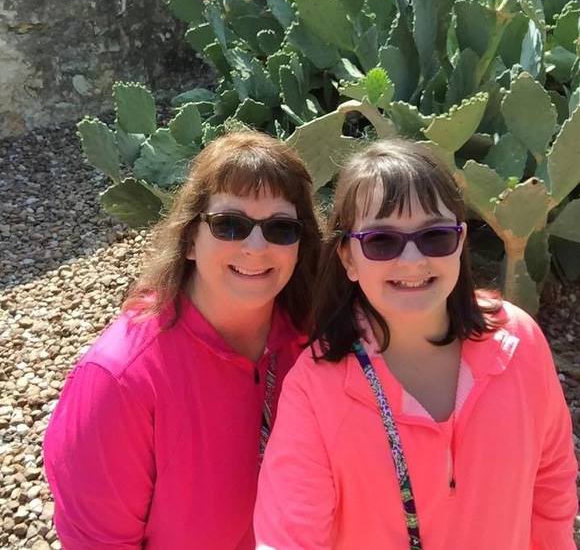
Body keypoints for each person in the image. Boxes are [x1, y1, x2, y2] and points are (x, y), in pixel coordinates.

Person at [254, 139, 577, 549]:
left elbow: (551, 483)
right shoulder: (316, 389)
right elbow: (287, 539)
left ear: (460, 242)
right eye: (382, 241)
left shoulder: (520, 343)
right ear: (348, 258)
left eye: (435, 236)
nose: (411, 260)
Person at [43, 131, 321, 549]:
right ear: (190, 239)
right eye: (230, 225)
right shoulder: (120, 380)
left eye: (281, 229)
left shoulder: (315, 342)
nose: (256, 246)